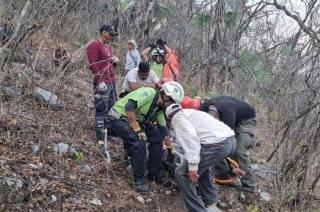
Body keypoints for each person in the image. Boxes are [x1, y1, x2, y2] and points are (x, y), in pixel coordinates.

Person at [107, 81, 184, 193]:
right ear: (166, 97)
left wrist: (169, 147)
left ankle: (155, 173)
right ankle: (138, 180)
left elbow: (163, 130)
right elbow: (130, 106)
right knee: (139, 142)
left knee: (157, 138)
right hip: (119, 116)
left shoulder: (159, 109)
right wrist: (136, 128)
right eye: (172, 103)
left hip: (136, 119)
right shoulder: (148, 93)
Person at [165, 104, 236, 212]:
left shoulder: (177, 118)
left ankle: (196, 209)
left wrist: (192, 167)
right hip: (230, 141)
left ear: (169, 117)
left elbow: (190, 141)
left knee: (182, 173)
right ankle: (211, 202)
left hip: (217, 145)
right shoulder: (192, 113)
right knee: (203, 167)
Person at [200, 96, 257, 193]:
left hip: (246, 120)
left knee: (239, 151)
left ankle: (249, 185)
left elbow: (229, 142)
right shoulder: (203, 109)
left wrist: (232, 164)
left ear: (219, 118)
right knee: (213, 144)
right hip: (231, 116)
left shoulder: (228, 114)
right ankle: (222, 173)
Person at [87, 24, 119, 141]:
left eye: (113, 35)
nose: (112, 37)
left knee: (111, 108)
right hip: (102, 82)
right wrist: (99, 80)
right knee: (101, 109)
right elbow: (92, 64)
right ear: (103, 32)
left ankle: (108, 133)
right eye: (110, 34)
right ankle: (101, 137)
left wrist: (114, 62)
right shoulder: (94, 45)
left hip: (111, 81)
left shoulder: (108, 47)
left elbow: (109, 66)